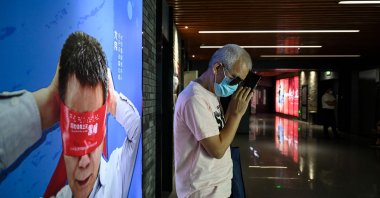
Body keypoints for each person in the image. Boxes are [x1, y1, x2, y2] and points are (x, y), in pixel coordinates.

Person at [0, 32, 141, 198]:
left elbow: (135, 127)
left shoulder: (117, 172)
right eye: (75, 137)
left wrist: (114, 101)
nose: (83, 162)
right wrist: (46, 106)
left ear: (102, 130)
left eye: (90, 132)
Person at [174, 44, 253, 198]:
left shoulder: (210, 94)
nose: (236, 87)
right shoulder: (194, 98)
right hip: (202, 190)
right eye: (234, 79)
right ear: (217, 68)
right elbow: (217, 150)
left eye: (240, 82)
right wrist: (236, 115)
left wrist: (232, 109)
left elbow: (220, 133)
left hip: (218, 184)